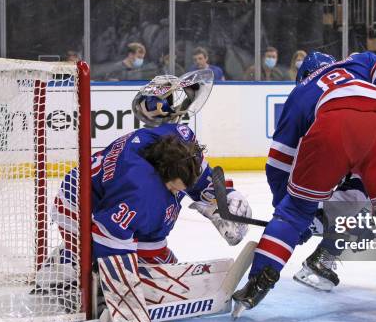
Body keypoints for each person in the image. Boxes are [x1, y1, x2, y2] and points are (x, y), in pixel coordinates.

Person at [233, 51, 376, 317]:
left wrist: (291, 216)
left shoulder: (301, 91)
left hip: (334, 121)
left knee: (293, 213)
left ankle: (258, 281)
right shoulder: (357, 62)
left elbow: (278, 165)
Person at [41, 72, 252, 285]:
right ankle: (67, 261)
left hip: (119, 196)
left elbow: (196, 175)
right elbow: (109, 232)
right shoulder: (142, 191)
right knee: (103, 274)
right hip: (78, 205)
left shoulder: (178, 139)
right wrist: (119, 284)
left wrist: (224, 199)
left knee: (159, 269)